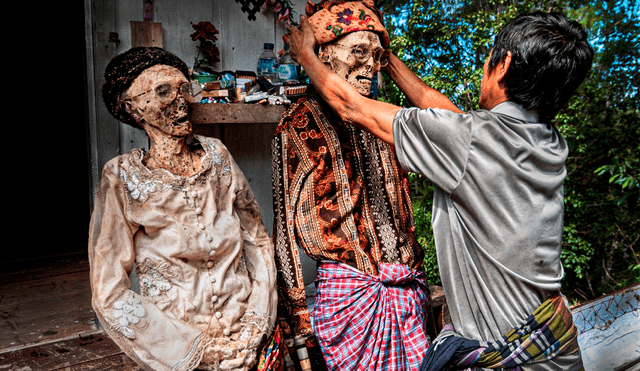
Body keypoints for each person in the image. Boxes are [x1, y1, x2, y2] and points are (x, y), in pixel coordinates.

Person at [284, 10, 594, 371]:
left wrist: (304, 53)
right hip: (556, 346)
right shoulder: (546, 141)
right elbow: (450, 116)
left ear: (504, 63)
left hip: (510, 362)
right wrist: (389, 62)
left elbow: (352, 107)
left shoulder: (470, 142)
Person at [89, 46, 283, 371]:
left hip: (249, 336)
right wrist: (198, 352)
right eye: (163, 92)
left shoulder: (217, 156)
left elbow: (257, 240)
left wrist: (257, 323)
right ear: (132, 107)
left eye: (183, 88)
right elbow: (109, 293)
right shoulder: (122, 177)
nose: (181, 102)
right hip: (181, 351)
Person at [271, 1, 431, 370]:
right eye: (358, 51)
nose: (370, 67)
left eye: (377, 56)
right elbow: (284, 229)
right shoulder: (298, 124)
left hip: (407, 290)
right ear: (323, 54)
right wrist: (296, 310)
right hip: (351, 299)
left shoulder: (385, 119)